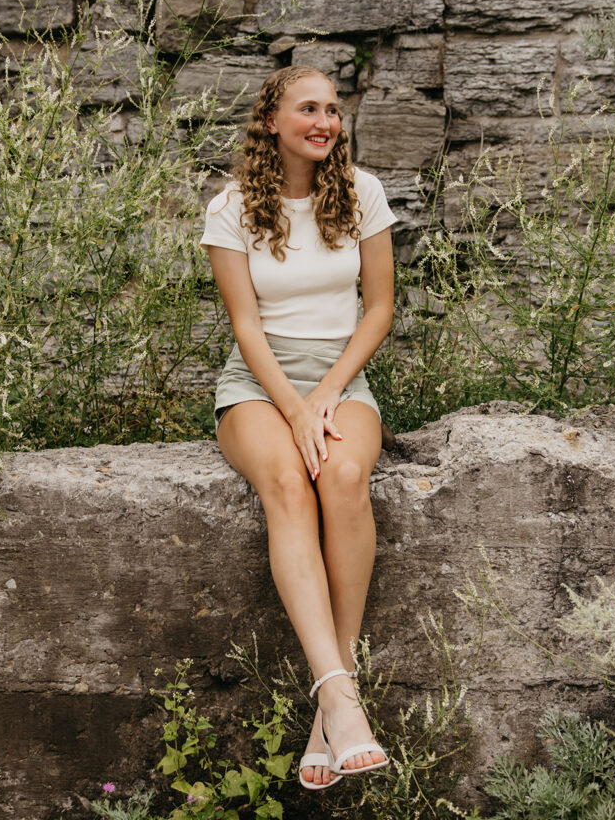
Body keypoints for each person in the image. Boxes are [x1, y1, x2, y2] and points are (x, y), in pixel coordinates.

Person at [200, 65, 396, 790]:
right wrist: (292, 405)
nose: (324, 121)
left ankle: (331, 705)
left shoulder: (362, 194)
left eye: (333, 110)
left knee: (342, 475)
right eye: (308, 109)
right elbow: (245, 325)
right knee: (288, 481)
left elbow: (377, 310)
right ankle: (343, 699)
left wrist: (327, 394)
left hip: (340, 377)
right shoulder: (231, 209)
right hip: (258, 383)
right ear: (272, 122)